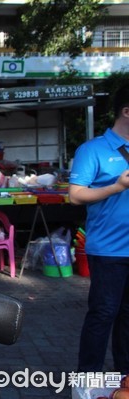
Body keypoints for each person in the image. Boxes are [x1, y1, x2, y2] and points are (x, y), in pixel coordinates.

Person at [70, 83, 129, 374]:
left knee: (128, 317)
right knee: (104, 313)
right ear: (126, 112)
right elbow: (76, 194)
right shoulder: (93, 150)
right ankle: (88, 376)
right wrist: (116, 186)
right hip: (108, 250)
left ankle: (125, 378)